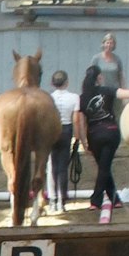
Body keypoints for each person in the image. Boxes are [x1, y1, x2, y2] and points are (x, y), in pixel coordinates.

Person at [76, 65, 129, 210]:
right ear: (99, 78)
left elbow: (81, 121)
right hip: (111, 132)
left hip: (94, 135)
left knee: (103, 167)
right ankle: (100, 200)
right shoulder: (107, 90)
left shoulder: (82, 98)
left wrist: (83, 140)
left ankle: (109, 199)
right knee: (105, 167)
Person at [49, 69, 81, 211]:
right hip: (66, 130)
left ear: (52, 83)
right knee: (63, 167)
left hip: (52, 130)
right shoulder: (74, 97)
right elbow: (76, 120)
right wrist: (77, 137)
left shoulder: (49, 98)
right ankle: (62, 200)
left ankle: (52, 199)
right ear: (67, 83)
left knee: (51, 166)